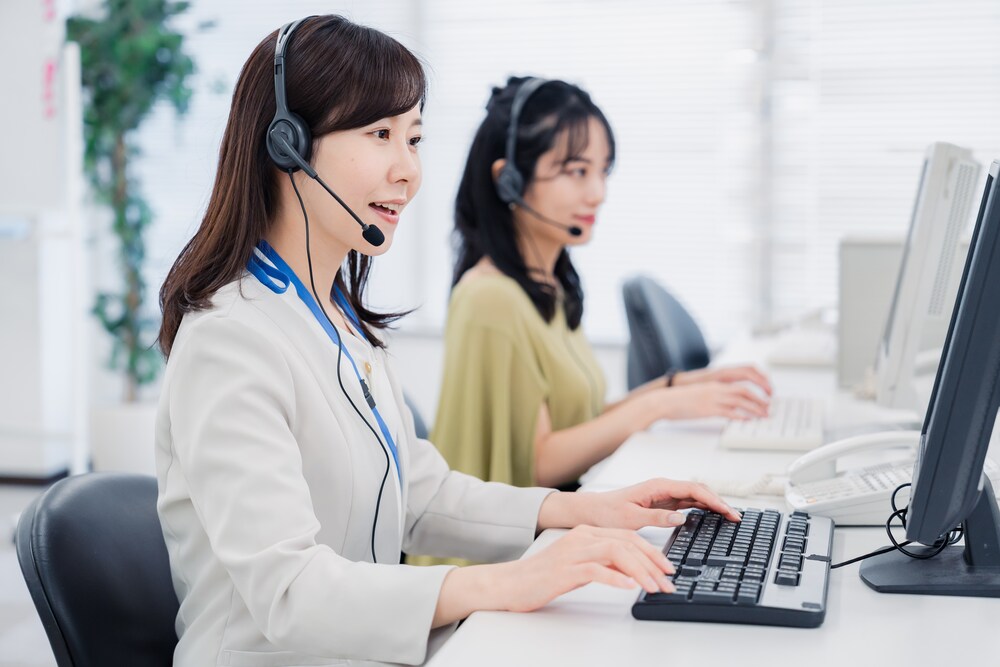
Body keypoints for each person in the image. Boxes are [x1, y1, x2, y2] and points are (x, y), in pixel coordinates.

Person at [155, 16, 740, 667]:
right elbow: (289, 591)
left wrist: (590, 509)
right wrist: (512, 580)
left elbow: (422, 493)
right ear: (288, 145)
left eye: (415, 138)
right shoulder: (230, 341)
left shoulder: (336, 316)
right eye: (380, 135)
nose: (409, 170)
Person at [432, 77, 773, 491]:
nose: (598, 193)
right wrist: (660, 405)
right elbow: (539, 464)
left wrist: (678, 387)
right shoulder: (490, 299)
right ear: (510, 181)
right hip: (504, 549)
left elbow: (578, 421)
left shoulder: (546, 286)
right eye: (577, 171)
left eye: (602, 170)